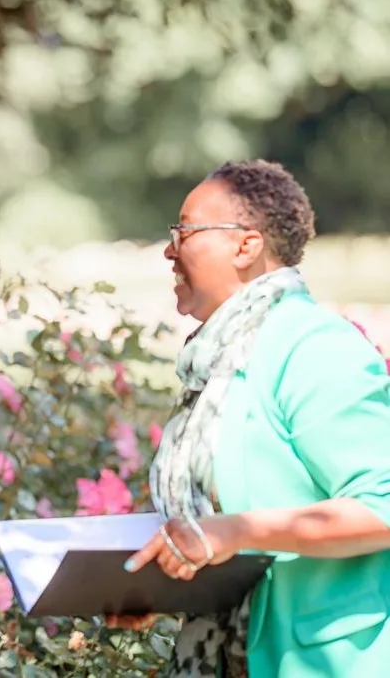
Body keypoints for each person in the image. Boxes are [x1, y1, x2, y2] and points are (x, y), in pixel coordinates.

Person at [119, 159, 390, 677]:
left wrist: (235, 531)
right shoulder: (216, 360)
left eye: (184, 231)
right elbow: (218, 530)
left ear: (246, 246)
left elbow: (383, 505)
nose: (169, 249)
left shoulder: (314, 346)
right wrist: (153, 581)